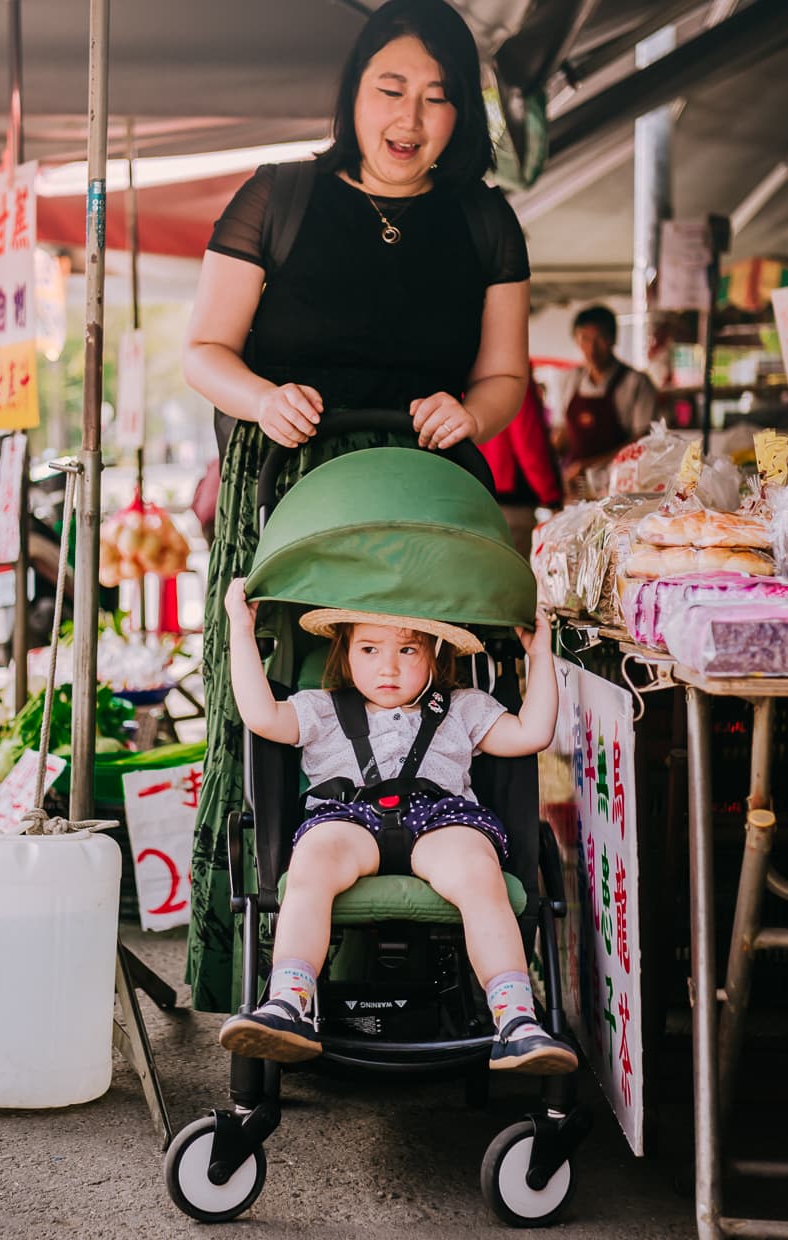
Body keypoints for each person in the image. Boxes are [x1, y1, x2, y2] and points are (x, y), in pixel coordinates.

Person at [183, 0, 531, 1013]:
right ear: (354, 93)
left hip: (429, 502)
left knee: (422, 712)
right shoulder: (278, 196)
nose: (412, 116)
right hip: (287, 495)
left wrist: (468, 411)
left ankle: (445, 964)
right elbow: (206, 349)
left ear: (463, 114)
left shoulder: (483, 219)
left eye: (438, 97)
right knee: (275, 715)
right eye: (392, 89)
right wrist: (263, 397)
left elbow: (505, 377)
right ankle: (268, 970)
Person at [218, 578, 577, 1073]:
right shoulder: (320, 707)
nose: (388, 667)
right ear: (345, 652)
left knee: (478, 872)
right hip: (348, 816)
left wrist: (540, 655)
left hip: (441, 818)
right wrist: (241, 628)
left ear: (434, 654)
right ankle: (287, 1003)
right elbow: (260, 716)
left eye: (408, 649)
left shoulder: (464, 706)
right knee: (312, 863)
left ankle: (517, 1020)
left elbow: (532, 733)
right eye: (369, 648)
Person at [553, 304, 658, 486]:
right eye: (584, 339)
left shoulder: (635, 382)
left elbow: (642, 441)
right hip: (575, 483)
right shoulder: (570, 380)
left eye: (599, 339)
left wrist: (589, 465)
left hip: (621, 483)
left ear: (613, 339)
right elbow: (563, 435)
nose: (591, 348)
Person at [479, 374, 562, 557]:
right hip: (513, 503)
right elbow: (528, 443)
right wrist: (552, 497)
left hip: (481, 496)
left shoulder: (472, 372)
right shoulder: (511, 376)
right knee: (513, 579)